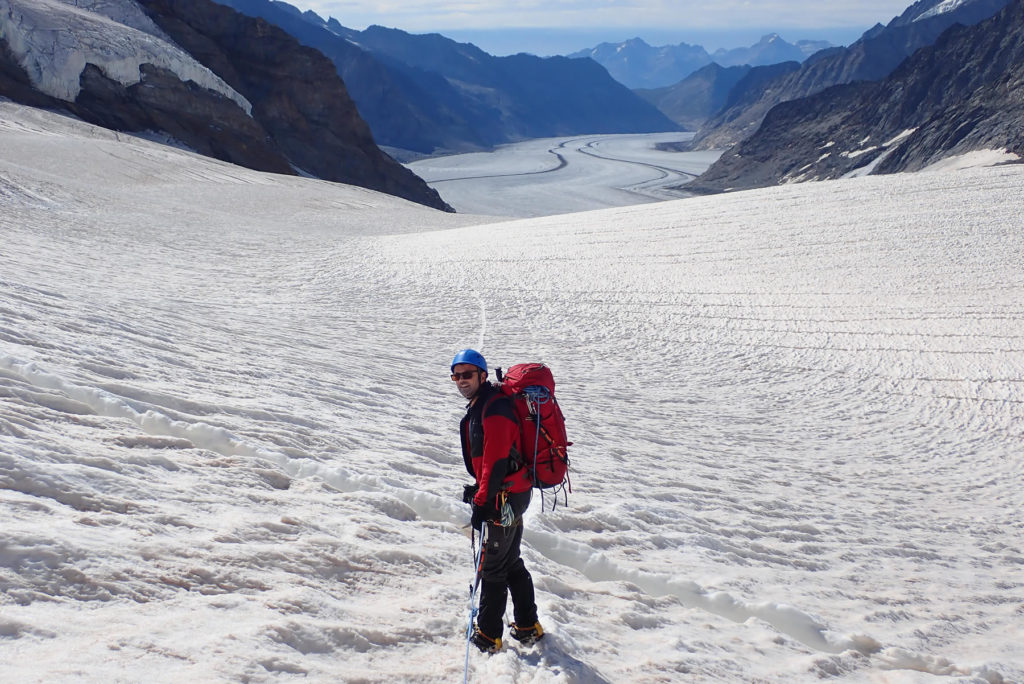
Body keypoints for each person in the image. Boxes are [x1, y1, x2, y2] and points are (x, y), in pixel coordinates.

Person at [451, 348, 544, 653]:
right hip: (508, 494)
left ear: (482, 374)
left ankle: (489, 635)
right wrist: (479, 489)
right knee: (510, 560)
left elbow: (496, 460)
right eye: (456, 375)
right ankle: (528, 625)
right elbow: (489, 462)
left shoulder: (495, 408)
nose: (461, 381)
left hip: (503, 498)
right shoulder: (485, 404)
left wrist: (482, 501)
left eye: (467, 374)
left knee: (491, 567)